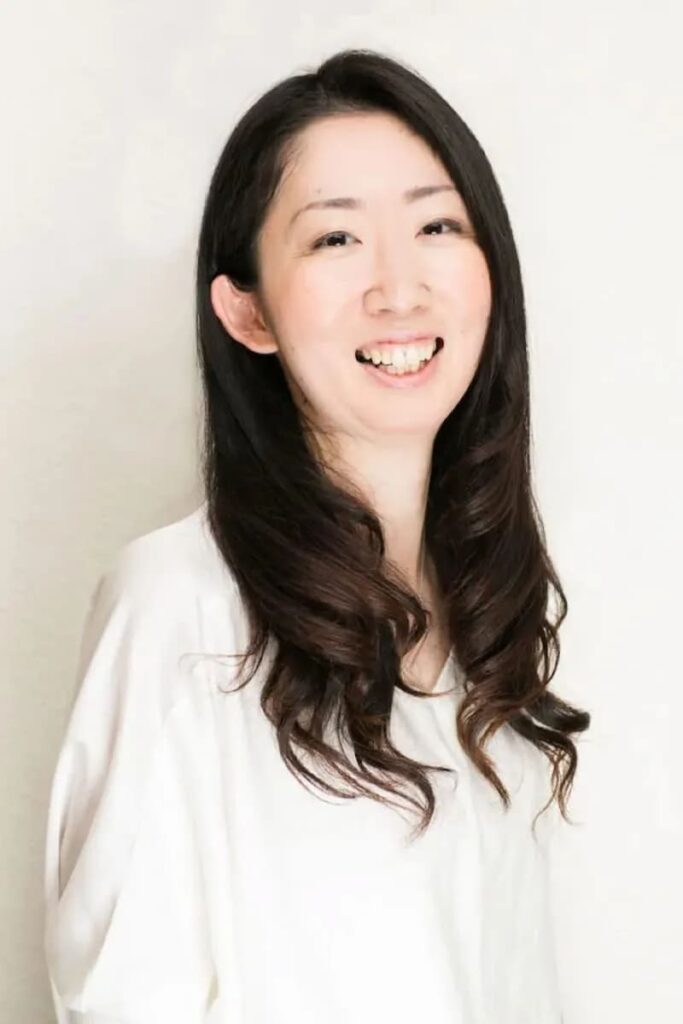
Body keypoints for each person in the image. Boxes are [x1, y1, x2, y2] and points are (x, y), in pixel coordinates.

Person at [43, 48, 590, 1024]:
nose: (398, 287)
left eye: (435, 225)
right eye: (336, 238)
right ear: (246, 310)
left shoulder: (485, 622)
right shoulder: (182, 603)